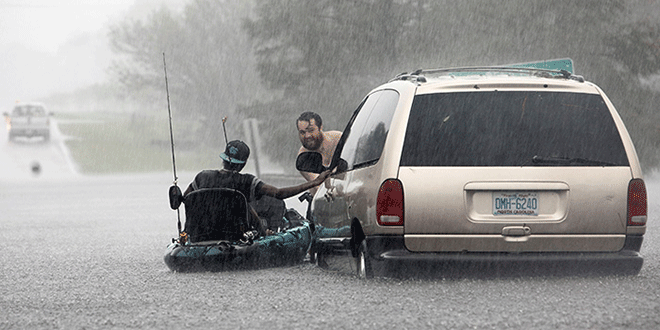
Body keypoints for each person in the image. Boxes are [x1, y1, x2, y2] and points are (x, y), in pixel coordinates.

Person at [184, 140, 331, 237]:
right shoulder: (246, 181)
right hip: (233, 234)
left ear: (223, 159)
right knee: (249, 208)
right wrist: (314, 182)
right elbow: (279, 194)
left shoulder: (202, 177)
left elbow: (185, 199)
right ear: (243, 164)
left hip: (200, 234)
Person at [296, 112, 342, 186]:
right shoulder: (303, 156)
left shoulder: (339, 139)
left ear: (320, 127)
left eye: (311, 130)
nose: (307, 136)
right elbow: (320, 184)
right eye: (302, 132)